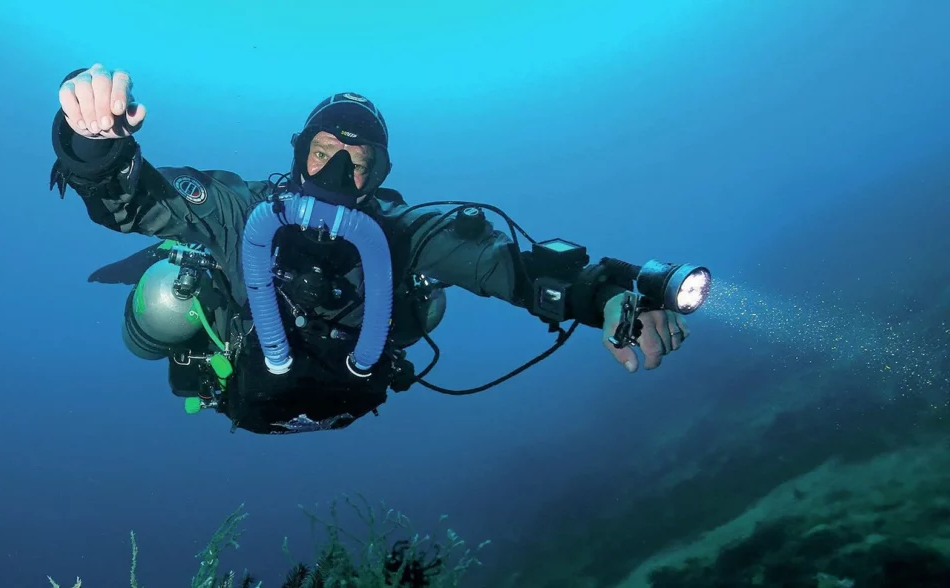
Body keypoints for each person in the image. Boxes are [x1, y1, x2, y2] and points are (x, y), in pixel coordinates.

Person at [49, 63, 709, 436]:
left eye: (357, 162)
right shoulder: (240, 209)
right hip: (240, 382)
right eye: (322, 154)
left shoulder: (406, 234)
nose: (337, 176)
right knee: (170, 287)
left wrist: (616, 294)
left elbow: (514, 269)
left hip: (351, 395)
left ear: (382, 174)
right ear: (298, 158)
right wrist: (93, 144)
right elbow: (135, 202)